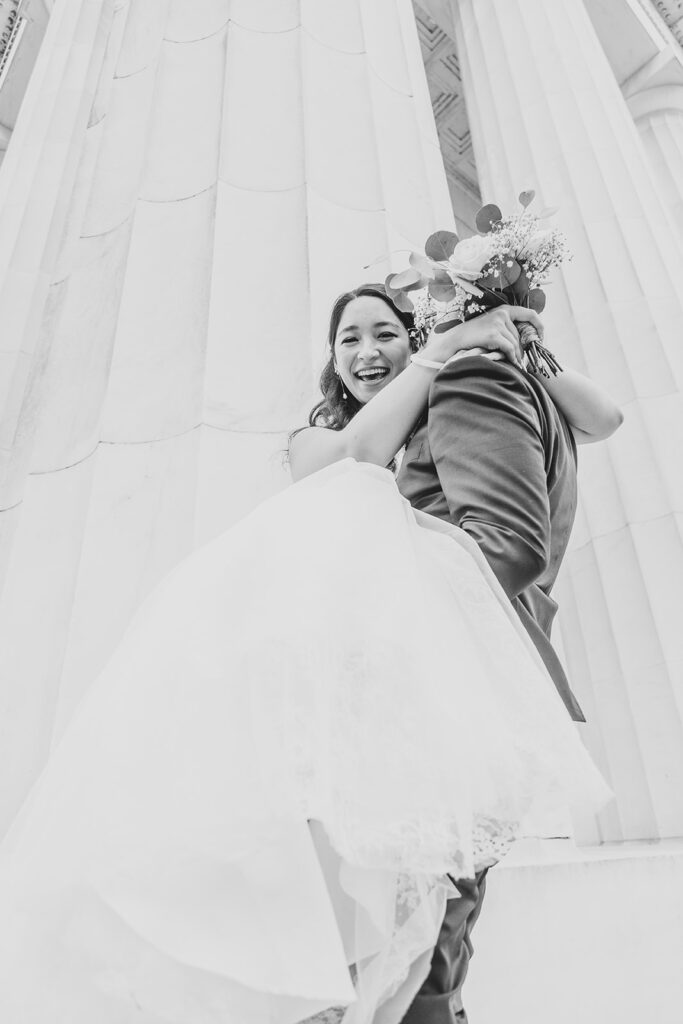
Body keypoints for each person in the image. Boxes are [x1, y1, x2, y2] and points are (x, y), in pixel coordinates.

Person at [0, 285, 616, 1024]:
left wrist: (507, 333)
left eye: (384, 333)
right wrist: (439, 348)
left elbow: (602, 419)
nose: (365, 352)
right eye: (347, 339)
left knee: (437, 925)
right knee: (382, 924)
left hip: (452, 689)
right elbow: (353, 457)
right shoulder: (318, 437)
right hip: (357, 699)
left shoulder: (451, 414)